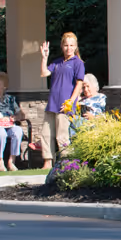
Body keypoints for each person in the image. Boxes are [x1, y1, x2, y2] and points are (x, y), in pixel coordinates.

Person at [39, 31, 87, 168]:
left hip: (65, 105)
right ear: (62, 46)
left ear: (76, 46)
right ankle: (47, 161)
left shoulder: (78, 63)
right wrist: (44, 57)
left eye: (72, 45)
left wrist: (71, 101)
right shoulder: (57, 62)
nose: (68, 48)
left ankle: (66, 162)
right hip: (52, 103)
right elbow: (44, 73)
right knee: (46, 134)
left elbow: (79, 84)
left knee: (62, 136)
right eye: (66, 45)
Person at [69, 73, 108, 141]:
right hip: (80, 121)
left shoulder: (101, 97)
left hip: (92, 123)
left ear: (94, 85)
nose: (86, 90)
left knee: (71, 120)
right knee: (69, 119)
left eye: (88, 86)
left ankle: (71, 146)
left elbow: (106, 116)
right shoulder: (82, 99)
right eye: (83, 87)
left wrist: (93, 117)